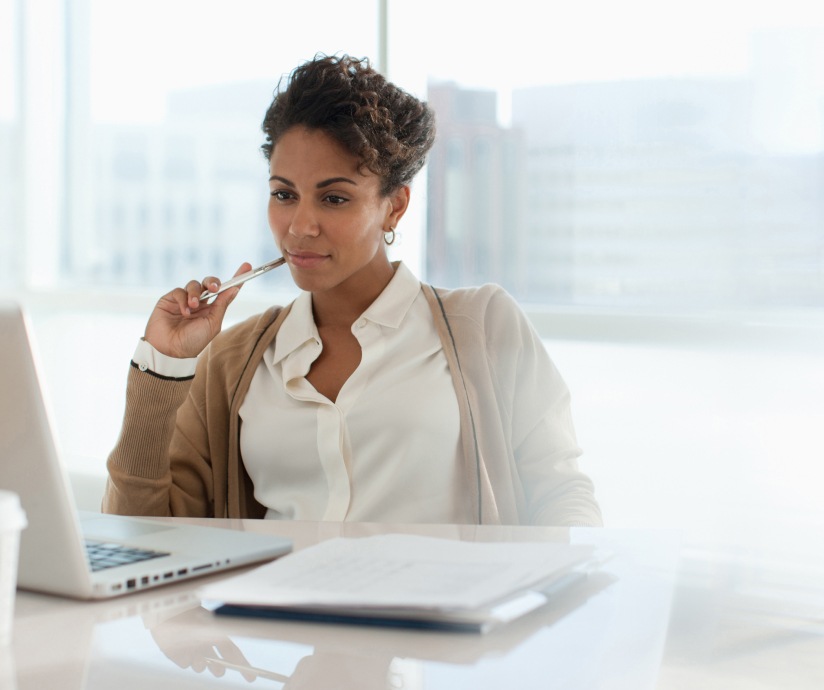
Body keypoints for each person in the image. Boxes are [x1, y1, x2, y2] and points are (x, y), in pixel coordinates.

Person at [102, 54, 602, 527]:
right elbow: (143, 538)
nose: (299, 227)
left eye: (334, 198)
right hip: (274, 617)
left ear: (394, 206)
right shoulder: (233, 362)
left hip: (438, 615)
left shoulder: (484, 325)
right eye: (283, 194)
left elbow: (562, 496)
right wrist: (163, 364)